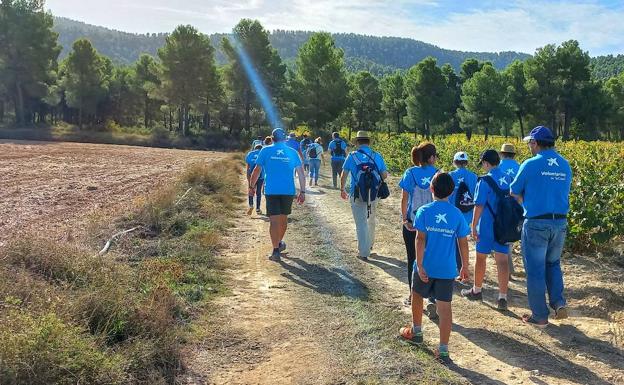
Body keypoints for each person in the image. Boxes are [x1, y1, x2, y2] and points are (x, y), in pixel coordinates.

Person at [399, 172, 470, 364]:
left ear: (431, 189)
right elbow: (463, 242)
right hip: (447, 269)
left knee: (417, 296)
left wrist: (420, 264)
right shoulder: (457, 214)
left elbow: (420, 239)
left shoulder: (423, 211)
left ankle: (416, 331)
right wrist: (465, 266)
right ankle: (444, 349)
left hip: (426, 267)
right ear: (452, 191)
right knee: (444, 308)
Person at [510, 126, 572, 328]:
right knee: (553, 264)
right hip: (560, 222)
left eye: (530, 142)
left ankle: (540, 316)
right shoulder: (565, 165)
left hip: (536, 222)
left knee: (535, 270)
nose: (529, 146)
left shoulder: (530, 164)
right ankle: (559, 302)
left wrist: (525, 201)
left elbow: (514, 191)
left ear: (536, 143)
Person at [461, 150, 512, 311]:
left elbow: (479, 205)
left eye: (483, 164)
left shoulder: (484, 181)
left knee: (481, 258)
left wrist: (473, 226)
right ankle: (502, 297)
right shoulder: (509, 178)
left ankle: (477, 290)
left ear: (486, 163)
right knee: (502, 260)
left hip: (487, 226)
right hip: (504, 226)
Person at [249, 128, 306, 261]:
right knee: (283, 219)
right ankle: (279, 242)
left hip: (272, 190)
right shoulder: (292, 152)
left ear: (272, 138)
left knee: (274, 221)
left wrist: (251, 187)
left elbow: (257, 170)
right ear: (285, 138)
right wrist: (302, 191)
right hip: (288, 190)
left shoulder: (265, 150)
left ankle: (276, 250)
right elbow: (301, 173)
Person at [399, 142, 438, 308]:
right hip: (432, 224)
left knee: (413, 259)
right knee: (432, 258)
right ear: (430, 157)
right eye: (435, 155)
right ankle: (432, 297)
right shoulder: (437, 174)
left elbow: (404, 198)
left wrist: (404, 219)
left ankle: (412, 295)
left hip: (412, 223)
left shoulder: (410, 173)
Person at [340, 131, 388, 260]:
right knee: (371, 219)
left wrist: (342, 189)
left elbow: (344, 174)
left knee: (361, 222)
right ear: (368, 142)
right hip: (374, 193)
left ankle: (363, 251)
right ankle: (370, 245)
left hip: (357, 193)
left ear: (357, 143)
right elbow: (384, 175)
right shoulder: (377, 155)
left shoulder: (352, 156)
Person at [448, 151, 478, 271]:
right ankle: (463, 266)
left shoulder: (450, 176)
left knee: (454, 241)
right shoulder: (474, 176)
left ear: (455, 162)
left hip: (453, 213)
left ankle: (457, 266)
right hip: (468, 214)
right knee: (463, 240)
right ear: (466, 162)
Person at [499, 144, 521, 277]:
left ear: (502, 154)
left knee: (502, 236)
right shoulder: (519, 167)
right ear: (513, 155)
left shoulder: (498, 166)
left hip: (502, 206)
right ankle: (509, 266)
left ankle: (507, 269)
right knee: (512, 235)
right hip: (517, 205)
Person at [245, 144, 264, 215]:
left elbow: (248, 168)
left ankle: (251, 205)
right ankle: (258, 208)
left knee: (250, 190)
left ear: (255, 148)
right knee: (258, 192)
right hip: (261, 176)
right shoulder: (262, 153)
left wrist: (248, 178)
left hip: (251, 175)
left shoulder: (250, 154)